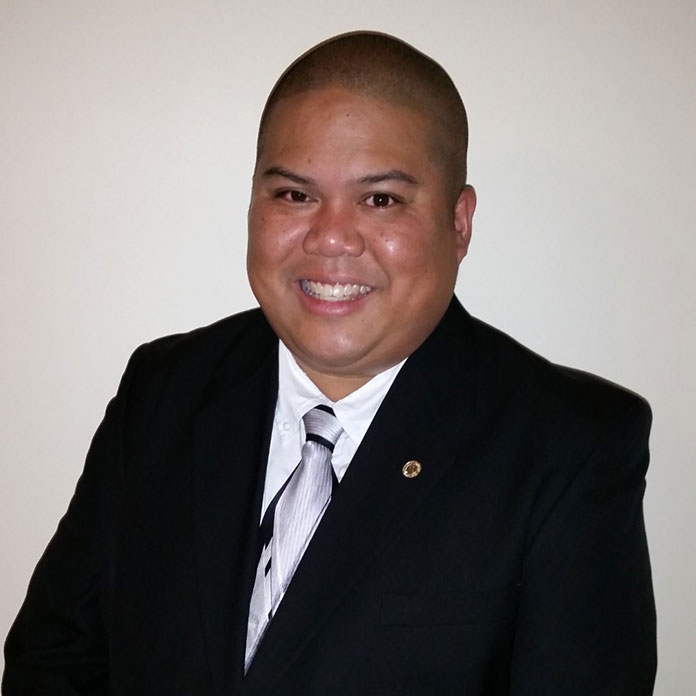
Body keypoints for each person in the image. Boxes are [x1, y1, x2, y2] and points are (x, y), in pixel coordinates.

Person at [3, 31, 656, 695]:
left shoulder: (568, 448)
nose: (331, 238)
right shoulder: (164, 391)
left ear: (458, 223)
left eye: (381, 200)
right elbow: (54, 664)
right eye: (295, 195)